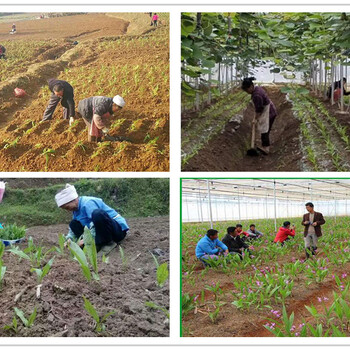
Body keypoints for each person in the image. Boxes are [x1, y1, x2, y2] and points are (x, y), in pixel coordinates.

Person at [55, 184, 129, 252]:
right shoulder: (76, 209)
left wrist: (86, 240)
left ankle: (108, 243)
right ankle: (96, 244)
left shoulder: (88, 203)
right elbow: (72, 230)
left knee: (98, 214)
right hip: (100, 232)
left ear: (73, 199)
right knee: (74, 223)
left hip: (117, 232)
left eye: (67, 207)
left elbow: (95, 223)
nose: (67, 210)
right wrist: (69, 239)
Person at [241, 77, 277, 155]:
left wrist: (255, 119)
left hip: (269, 112)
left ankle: (266, 148)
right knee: (264, 129)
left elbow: (259, 109)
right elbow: (258, 107)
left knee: (265, 130)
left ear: (251, 86)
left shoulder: (257, 95)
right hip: (268, 109)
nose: (247, 92)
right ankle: (264, 145)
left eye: (247, 90)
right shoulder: (257, 89)